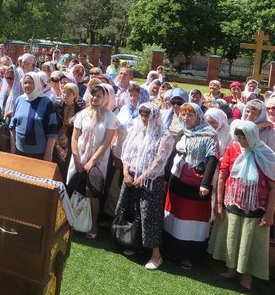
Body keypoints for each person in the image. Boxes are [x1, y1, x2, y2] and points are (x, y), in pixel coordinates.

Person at [208, 120, 275, 291]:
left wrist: (269, 214)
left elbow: (273, 186)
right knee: (232, 238)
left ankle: (247, 277)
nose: (241, 141)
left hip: (256, 210)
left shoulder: (266, 154)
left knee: (250, 243)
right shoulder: (233, 149)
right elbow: (222, 175)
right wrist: (219, 204)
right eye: (238, 137)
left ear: (253, 136)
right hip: (233, 205)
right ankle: (231, 270)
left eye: (244, 137)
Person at [116, 103, 175, 270]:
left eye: (147, 114)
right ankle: (134, 244)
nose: (143, 117)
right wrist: (126, 172)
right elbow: (126, 152)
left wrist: (143, 177)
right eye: (141, 113)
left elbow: (160, 161)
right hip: (132, 176)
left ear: (154, 115)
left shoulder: (164, 135)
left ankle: (156, 255)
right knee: (132, 210)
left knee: (149, 214)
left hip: (151, 180)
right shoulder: (136, 128)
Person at [163, 102, 219, 269]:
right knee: (174, 215)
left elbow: (212, 159)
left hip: (196, 184)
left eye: (190, 115)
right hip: (176, 179)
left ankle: (187, 255)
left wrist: (205, 184)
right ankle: (170, 248)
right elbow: (173, 153)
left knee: (189, 220)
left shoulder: (210, 135)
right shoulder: (183, 132)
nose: (186, 118)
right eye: (184, 114)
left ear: (198, 116)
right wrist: (166, 177)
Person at [67, 84, 119, 238]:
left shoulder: (110, 117)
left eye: (99, 96)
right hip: (79, 157)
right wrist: (76, 158)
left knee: (92, 193)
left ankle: (93, 226)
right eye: (93, 95)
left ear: (105, 98)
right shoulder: (82, 114)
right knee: (73, 187)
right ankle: (70, 221)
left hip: (98, 160)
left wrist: (93, 161)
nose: (95, 98)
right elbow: (74, 138)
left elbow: (106, 142)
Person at [8, 72, 58, 161]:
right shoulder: (19, 100)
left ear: (37, 83)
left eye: (30, 82)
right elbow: (12, 125)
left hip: (38, 154)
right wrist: (13, 147)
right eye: (25, 82)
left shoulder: (46, 102)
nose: (27, 85)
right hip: (19, 151)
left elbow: (52, 131)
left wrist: (48, 154)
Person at [55, 82, 84, 182]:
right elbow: (52, 128)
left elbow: (78, 133)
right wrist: (57, 147)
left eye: (68, 93)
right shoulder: (56, 107)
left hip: (70, 146)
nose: (65, 95)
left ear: (74, 95)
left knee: (65, 173)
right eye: (63, 92)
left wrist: (68, 149)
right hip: (55, 143)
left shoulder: (80, 111)